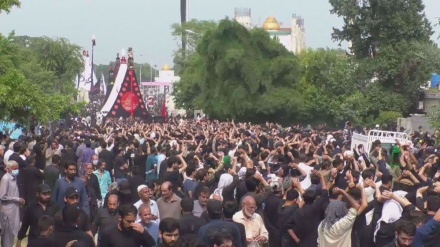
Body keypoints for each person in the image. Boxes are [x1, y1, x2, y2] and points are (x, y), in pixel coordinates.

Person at [0, 160, 25, 247]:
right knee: (7, 238)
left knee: (12, 236)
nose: (17, 170)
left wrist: (19, 200)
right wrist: (16, 199)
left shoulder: (14, 177)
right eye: (15, 168)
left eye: (17, 168)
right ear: (8, 169)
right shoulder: (5, 179)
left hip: (14, 210)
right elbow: (2, 196)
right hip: (8, 213)